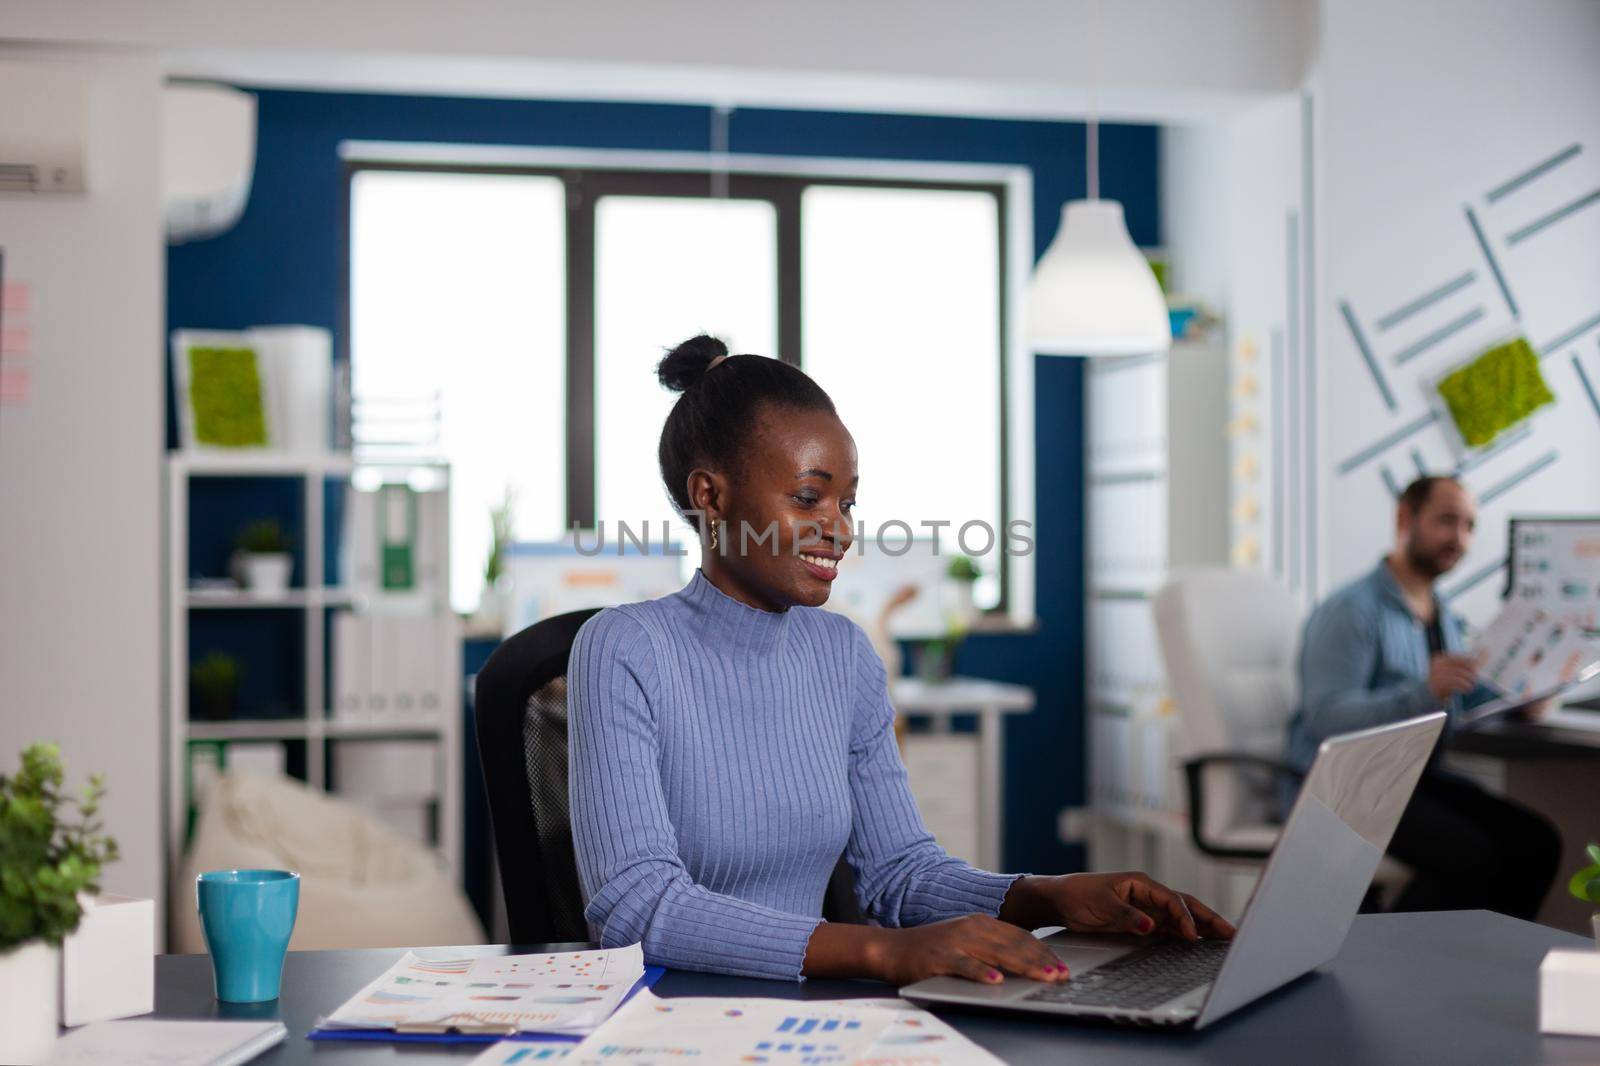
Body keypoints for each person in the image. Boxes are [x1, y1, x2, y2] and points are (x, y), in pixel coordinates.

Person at [567, 335, 1234, 985]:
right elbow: (637, 906)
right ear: (710, 497)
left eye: (848, 501)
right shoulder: (624, 650)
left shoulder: (843, 655)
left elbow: (899, 874)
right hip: (672, 1023)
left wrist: (1049, 896)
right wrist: (882, 953)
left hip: (809, 1019)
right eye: (809, 497)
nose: (841, 526)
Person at [1285, 475, 1560, 919]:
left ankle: (1485, 971)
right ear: (1404, 518)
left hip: (1412, 779)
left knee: (1536, 844)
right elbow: (1325, 717)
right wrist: (1423, 693)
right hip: (1347, 788)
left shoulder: (1444, 613)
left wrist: (1519, 700)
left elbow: (1458, 693)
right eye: (1447, 521)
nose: (1460, 538)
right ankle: (1386, 960)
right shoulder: (1351, 610)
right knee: (1471, 858)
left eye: (1469, 526)